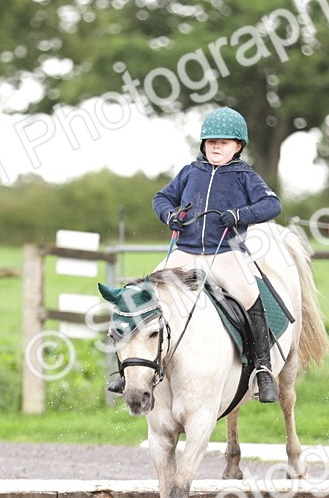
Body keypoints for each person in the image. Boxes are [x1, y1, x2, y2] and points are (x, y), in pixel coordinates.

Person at [107, 106, 282, 402]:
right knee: (142, 295)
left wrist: (241, 214)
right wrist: (169, 216)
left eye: (223, 142)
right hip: (184, 253)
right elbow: (161, 198)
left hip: (225, 253)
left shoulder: (245, 176)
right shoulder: (190, 172)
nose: (216, 146)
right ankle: (127, 373)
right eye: (211, 141)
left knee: (251, 296)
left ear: (237, 147)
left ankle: (263, 370)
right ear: (203, 144)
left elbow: (272, 205)